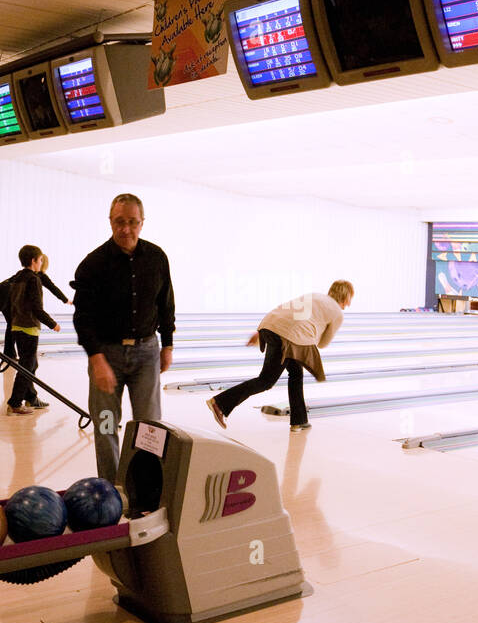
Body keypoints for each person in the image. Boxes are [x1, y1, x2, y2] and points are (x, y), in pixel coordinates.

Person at [72, 194, 174, 481]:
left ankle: (146, 485)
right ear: (110, 221)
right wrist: (96, 359)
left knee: (150, 427)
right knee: (106, 426)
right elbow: (83, 318)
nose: (126, 229)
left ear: (142, 223)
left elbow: (166, 304)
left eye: (132, 222)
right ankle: (111, 487)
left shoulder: (156, 257)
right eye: (120, 222)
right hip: (107, 354)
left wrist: (167, 345)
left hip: (146, 353)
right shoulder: (93, 264)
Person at [206, 282, 354, 432]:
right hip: (288, 338)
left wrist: (261, 334)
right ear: (347, 297)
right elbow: (322, 343)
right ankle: (220, 403)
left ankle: (299, 420)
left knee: (296, 373)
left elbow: (290, 315)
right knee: (266, 381)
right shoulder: (337, 313)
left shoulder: (316, 296)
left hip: (270, 324)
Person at [0, 249, 68, 411]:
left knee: (28, 358)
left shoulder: (22, 275)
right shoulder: (34, 277)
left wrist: (65, 300)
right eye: (40, 261)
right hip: (12, 301)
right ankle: (16, 402)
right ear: (35, 261)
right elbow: (39, 305)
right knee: (27, 361)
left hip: (10, 300)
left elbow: (51, 288)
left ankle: (30, 396)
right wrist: (53, 322)